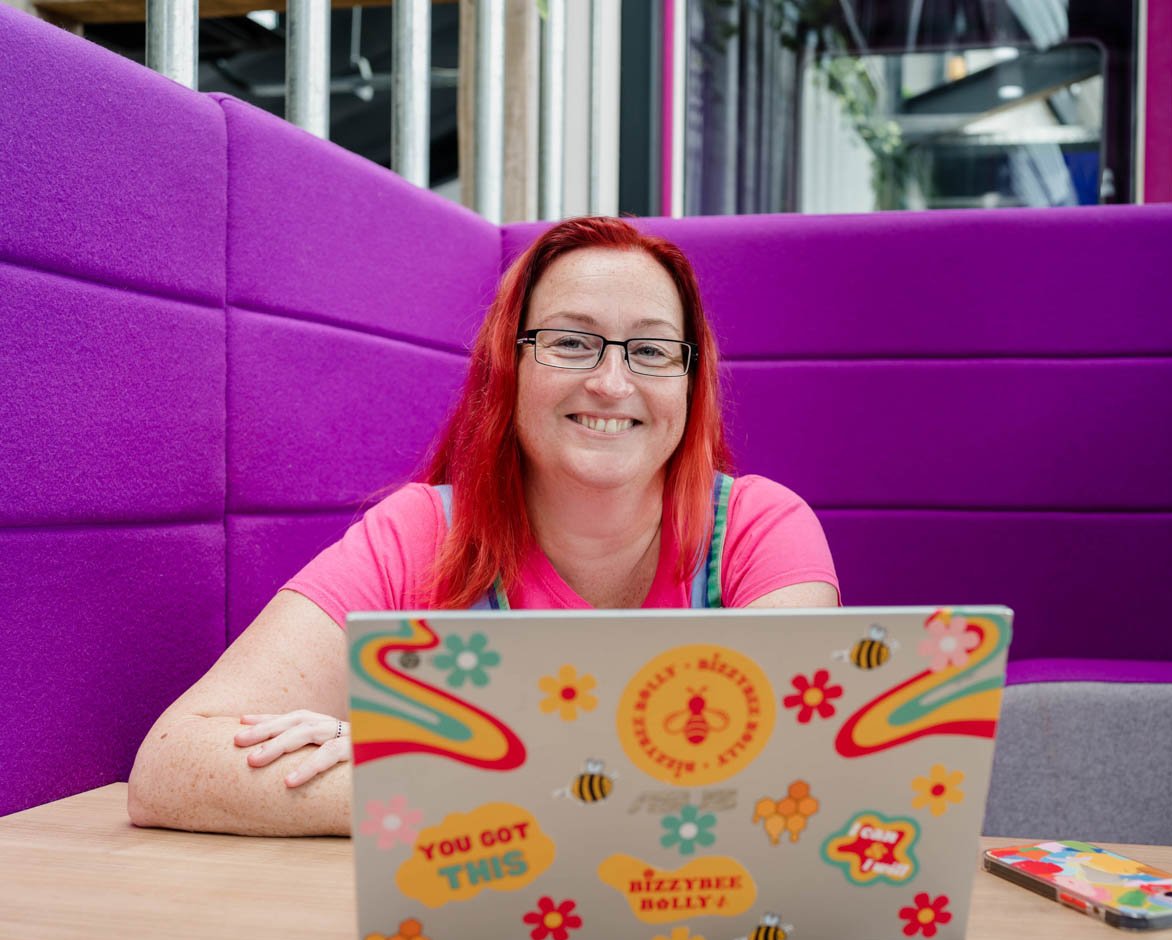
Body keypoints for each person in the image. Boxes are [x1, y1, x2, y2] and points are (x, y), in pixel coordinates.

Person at [126, 217, 840, 836]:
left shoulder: (760, 529)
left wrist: (417, 759)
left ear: (690, 381)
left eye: (651, 351)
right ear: (510, 365)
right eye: (570, 342)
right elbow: (173, 764)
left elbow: (793, 773)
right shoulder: (420, 534)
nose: (612, 384)